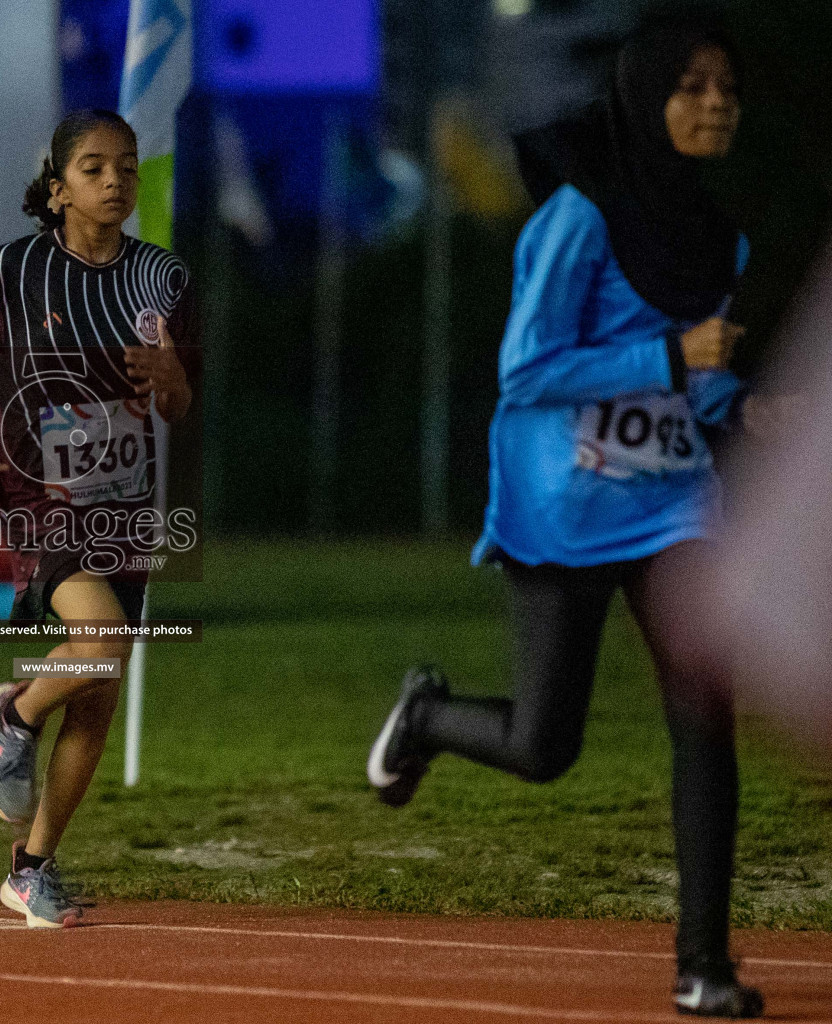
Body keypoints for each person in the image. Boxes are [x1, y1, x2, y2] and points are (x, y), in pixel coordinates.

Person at [366, 18, 772, 1018]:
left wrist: (748, 403)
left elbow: (698, 389)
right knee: (547, 747)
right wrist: (677, 361)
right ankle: (426, 713)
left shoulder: (722, 238)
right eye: (693, 86)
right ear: (645, 98)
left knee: (704, 716)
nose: (716, 102)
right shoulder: (577, 219)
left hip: (672, 501)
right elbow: (530, 370)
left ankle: (702, 963)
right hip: (561, 501)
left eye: (726, 87)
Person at [0, 109, 196, 928]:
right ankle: (14, 711)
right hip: (36, 490)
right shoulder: (12, 271)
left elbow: (179, 404)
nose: (116, 181)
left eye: (129, 167)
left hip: (124, 500)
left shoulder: (165, 281)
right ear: (57, 187)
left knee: (101, 694)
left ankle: (30, 868)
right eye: (95, 168)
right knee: (104, 645)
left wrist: (171, 375)